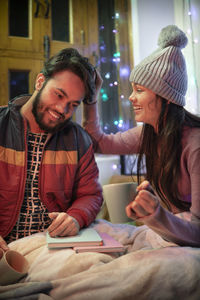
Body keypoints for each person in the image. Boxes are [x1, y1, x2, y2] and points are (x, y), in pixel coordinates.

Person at [82, 25, 200, 247]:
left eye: (140, 90)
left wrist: (156, 215)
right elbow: (97, 143)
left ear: (166, 97)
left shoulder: (195, 145)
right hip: (169, 235)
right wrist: (91, 99)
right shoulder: (149, 134)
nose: (131, 98)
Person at [0, 48, 103, 251]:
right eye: (58, 95)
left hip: (52, 247)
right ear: (40, 82)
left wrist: (75, 217)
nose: (62, 110)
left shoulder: (78, 140)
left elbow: (91, 195)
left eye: (73, 105)